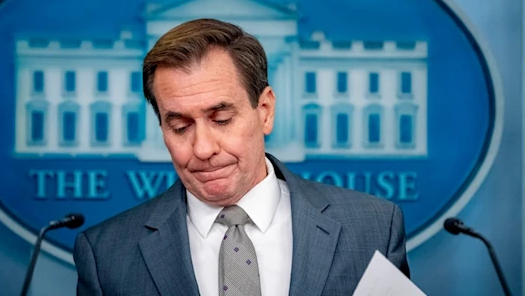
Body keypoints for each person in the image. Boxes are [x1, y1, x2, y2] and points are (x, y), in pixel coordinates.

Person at [73, 18, 410, 296]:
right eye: (179, 127)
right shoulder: (105, 255)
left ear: (264, 110)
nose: (203, 149)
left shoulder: (373, 229)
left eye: (221, 119)